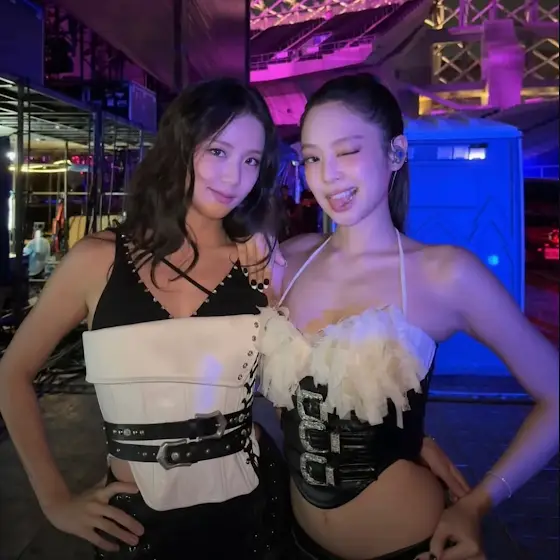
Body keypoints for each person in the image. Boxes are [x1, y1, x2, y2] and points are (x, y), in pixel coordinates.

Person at [257, 74, 559, 560]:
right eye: (312, 157)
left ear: (395, 152)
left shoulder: (445, 273)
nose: (328, 175)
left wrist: (478, 504)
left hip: (410, 546)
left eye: (347, 151)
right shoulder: (288, 262)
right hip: (295, 541)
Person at [0, 78, 292, 560]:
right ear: (179, 145)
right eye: (218, 151)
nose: (234, 177)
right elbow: (12, 372)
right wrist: (54, 500)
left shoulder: (261, 265)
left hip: (252, 513)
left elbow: (295, 386)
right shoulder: (96, 260)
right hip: (136, 525)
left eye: (251, 161)